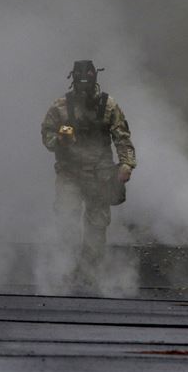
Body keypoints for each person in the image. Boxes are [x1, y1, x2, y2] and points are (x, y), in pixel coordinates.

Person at [41, 60, 136, 287]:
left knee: (96, 226)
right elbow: (47, 136)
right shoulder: (60, 107)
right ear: (73, 80)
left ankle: (89, 277)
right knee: (66, 222)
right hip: (69, 174)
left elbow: (122, 137)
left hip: (99, 175)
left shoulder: (109, 106)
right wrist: (61, 141)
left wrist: (126, 164)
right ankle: (63, 272)